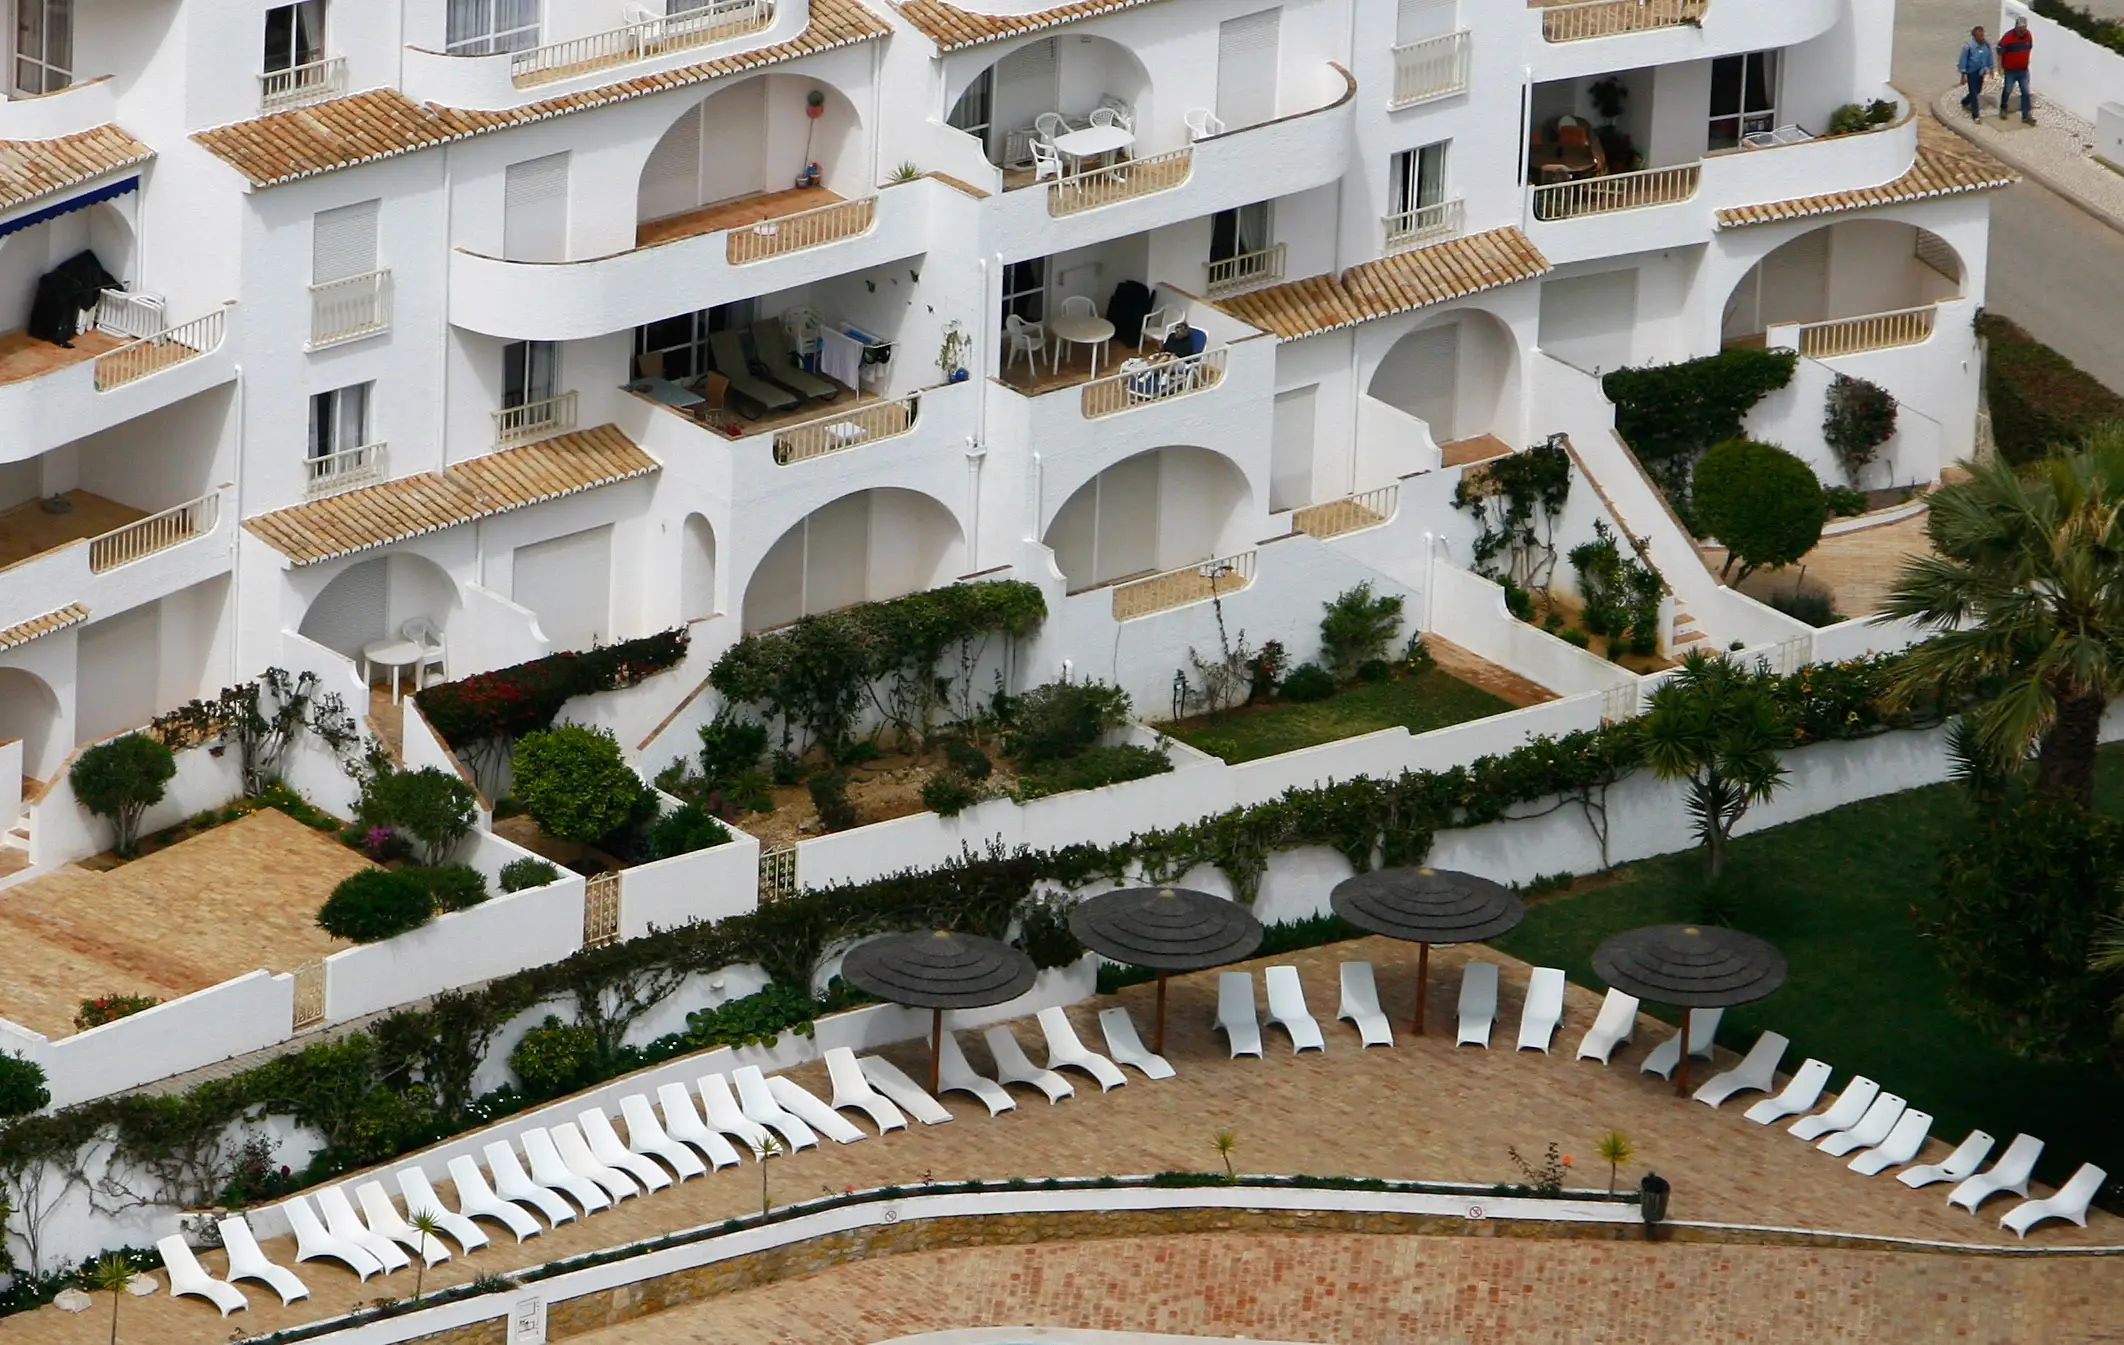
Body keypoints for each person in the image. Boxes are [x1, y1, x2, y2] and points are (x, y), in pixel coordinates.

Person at [1998, 17, 2036, 124]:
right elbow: (2000, 51)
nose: (2022, 32)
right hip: (2010, 71)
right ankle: (2003, 108)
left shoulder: (2028, 36)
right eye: (2020, 30)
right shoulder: (2008, 37)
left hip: (2023, 70)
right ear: (2016, 27)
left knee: (2025, 92)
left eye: (2024, 29)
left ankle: (2026, 114)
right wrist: (2000, 66)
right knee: (2007, 90)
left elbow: (2029, 48)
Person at [1958, 26, 1994, 122]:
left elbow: (1989, 56)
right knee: (1974, 94)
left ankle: (1965, 101)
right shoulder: (1968, 47)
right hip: (1972, 72)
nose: (1982, 37)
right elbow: (1963, 61)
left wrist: (1991, 68)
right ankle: (1975, 115)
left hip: (1981, 72)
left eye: (1983, 35)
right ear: (1975, 36)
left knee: (1978, 90)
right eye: (1980, 36)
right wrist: (1963, 75)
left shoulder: (1986, 45)